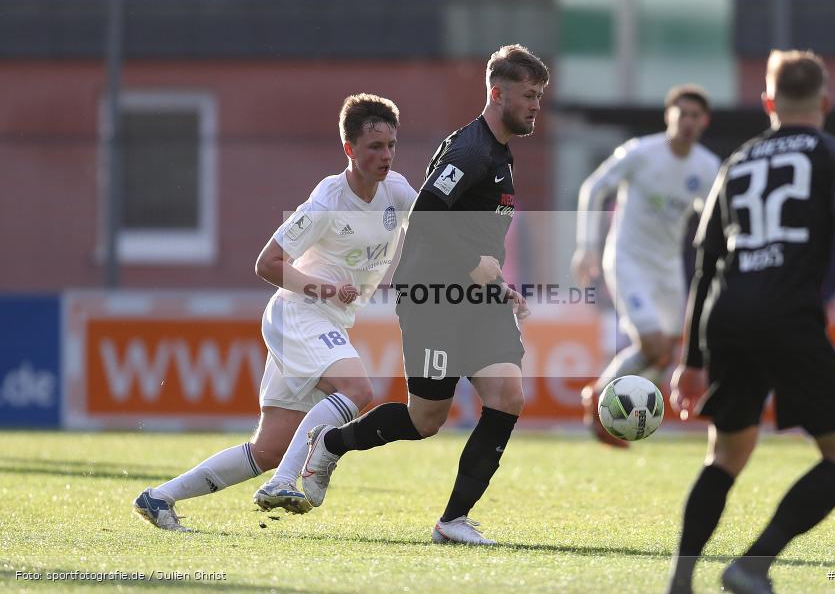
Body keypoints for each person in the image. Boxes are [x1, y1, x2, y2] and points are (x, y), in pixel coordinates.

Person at [271, 44, 548, 545]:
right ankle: (330, 444)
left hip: (477, 298)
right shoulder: (469, 151)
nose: (535, 105)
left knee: (508, 396)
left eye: (539, 96)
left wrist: (496, 283)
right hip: (435, 298)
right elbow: (426, 219)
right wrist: (471, 266)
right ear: (497, 93)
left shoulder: (500, 152)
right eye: (528, 95)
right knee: (426, 419)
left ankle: (453, 521)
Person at [133, 93, 417, 530]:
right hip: (299, 313)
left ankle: (158, 498)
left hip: (326, 320)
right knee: (358, 390)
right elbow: (267, 263)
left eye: (391, 145)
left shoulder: (395, 191)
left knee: (265, 449)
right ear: (350, 150)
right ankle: (284, 481)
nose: (386, 155)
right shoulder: (327, 202)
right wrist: (325, 287)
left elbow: (435, 229)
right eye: (374, 147)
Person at [666, 49, 835, 594]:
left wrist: (692, 359)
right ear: (826, 103)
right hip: (787, 315)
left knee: (727, 453)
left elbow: (705, 261)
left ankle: (680, 580)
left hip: (730, 316)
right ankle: (753, 564)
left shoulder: (735, 162)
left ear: (768, 101)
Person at [571, 85, 720, 447]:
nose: (687, 121)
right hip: (627, 261)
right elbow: (593, 188)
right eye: (681, 113)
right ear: (669, 116)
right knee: (653, 345)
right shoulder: (640, 152)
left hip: (667, 268)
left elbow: (716, 217)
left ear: (704, 122)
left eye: (694, 116)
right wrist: (587, 246)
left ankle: (610, 402)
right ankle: (601, 397)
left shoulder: (707, 166)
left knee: (668, 350)